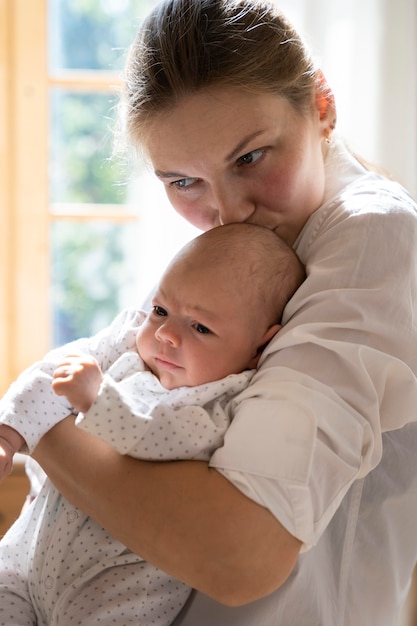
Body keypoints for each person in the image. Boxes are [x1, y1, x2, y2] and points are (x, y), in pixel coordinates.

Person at [13, 0, 417, 623]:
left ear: (322, 107)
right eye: (182, 181)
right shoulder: (240, 249)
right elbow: (111, 349)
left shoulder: (373, 236)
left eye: (250, 157)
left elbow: (240, 556)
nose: (227, 211)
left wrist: (45, 428)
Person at [0, 223, 305, 625]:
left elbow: (167, 440)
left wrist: (97, 400)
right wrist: (9, 432)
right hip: (29, 555)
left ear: (259, 347)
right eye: (161, 310)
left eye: (200, 327)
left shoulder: (222, 400)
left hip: (116, 592)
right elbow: (53, 370)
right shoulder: (129, 341)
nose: (165, 334)